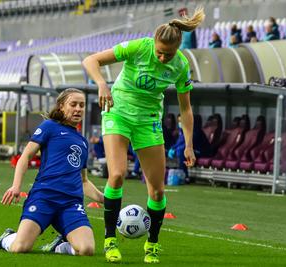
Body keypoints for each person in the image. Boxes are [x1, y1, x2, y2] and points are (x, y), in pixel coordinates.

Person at [82, 7, 203, 264]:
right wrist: (102, 83)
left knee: (157, 191)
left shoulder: (181, 66)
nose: (161, 58)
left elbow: (186, 108)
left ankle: (152, 243)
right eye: (158, 52)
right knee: (116, 175)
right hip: (118, 112)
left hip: (148, 121)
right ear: (153, 44)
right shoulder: (138, 47)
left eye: (167, 54)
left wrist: (188, 144)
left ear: (177, 49)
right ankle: (110, 239)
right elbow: (90, 60)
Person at [0, 88, 104, 256]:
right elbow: (25, 156)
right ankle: (6, 239)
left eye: (82, 105)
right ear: (61, 106)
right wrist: (16, 186)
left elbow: (84, 181)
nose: (78, 109)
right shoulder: (49, 127)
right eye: (73, 104)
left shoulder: (82, 142)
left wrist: (105, 199)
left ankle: (59, 246)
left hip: (70, 203)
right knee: (20, 248)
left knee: (87, 249)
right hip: (44, 197)